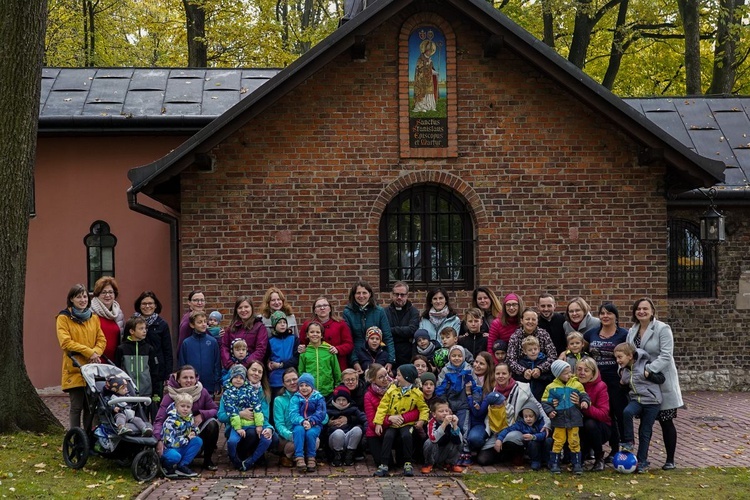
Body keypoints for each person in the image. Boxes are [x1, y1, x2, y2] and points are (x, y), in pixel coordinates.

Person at [626, 298, 683, 471]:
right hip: (643, 386)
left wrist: (648, 370)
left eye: (645, 308)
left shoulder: (662, 329)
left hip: (660, 380)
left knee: (666, 421)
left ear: (652, 311)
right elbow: (629, 353)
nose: (641, 312)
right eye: (638, 309)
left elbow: (666, 355)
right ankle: (643, 459)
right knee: (645, 423)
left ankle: (670, 459)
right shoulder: (632, 330)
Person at [475, 362, 551, 466]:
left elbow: (538, 406)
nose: (501, 376)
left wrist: (547, 423)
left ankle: (518, 454)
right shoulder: (493, 391)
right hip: (497, 431)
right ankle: (504, 455)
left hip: (516, 429)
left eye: (504, 373)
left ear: (510, 374)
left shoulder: (522, 389)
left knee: (511, 438)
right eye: (498, 374)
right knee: (482, 460)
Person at [56, 283, 107, 429]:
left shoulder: (93, 318)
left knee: (90, 407)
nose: (83, 299)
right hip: (75, 367)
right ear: (71, 299)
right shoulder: (63, 318)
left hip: (92, 368)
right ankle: (75, 438)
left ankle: (88, 439)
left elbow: (101, 339)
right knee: (76, 407)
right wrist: (89, 352)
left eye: (85, 296)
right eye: (79, 297)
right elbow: (66, 342)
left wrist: (96, 352)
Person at [585, 302, 628, 462]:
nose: (605, 316)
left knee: (618, 414)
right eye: (602, 313)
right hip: (597, 382)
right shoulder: (591, 334)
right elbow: (578, 347)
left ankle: (621, 449)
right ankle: (603, 448)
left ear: (616, 316)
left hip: (616, 381)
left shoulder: (624, 334)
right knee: (605, 415)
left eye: (609, 313)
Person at [154, 365, 220, 471]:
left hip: (195, 428)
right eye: (185, 378)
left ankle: (207, 460)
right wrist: (158, 439)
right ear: (178, 379)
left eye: (191, 377)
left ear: (196, 378)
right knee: (173, 454)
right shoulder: (170, 395)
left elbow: (215, 409)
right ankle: (178, 459)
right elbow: (159, 420)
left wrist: (202, 415)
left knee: (213, 424)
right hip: (176, 432)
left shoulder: (202, 392)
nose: (188, 380)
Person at [615, 341, 666, 473]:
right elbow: (625, 388)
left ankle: (642, 461)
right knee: (627, 412)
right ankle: (629, 442)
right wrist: (621, 384)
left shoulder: (646, 364)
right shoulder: (624, 371)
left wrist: (650, 375)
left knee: (645, 431)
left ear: (630, 356)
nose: (618, 360)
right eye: (616, 357)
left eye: (620, 357)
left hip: (652, 402)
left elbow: (662, 379)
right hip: (636, 400)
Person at [372, 364, 429, 477]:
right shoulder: (392, 390)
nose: (396, 378)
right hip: (393, 423)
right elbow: (382, 407)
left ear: (407, 377)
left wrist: (422, 420)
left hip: (407, 423)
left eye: (399, 375)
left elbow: (423, 408)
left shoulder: (416, 393)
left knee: (406, 436)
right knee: (388, 436)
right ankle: (384, 464)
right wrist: (378, 422)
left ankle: (407, 462)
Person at [220, 362, 273, 471]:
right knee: (246, 435)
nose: (256, 374)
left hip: (256, 425)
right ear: (247, 371)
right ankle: (240, 455)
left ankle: (252, 459)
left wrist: (268, 428)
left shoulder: (262, 392)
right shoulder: (228, 392)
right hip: (236, 427)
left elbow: (264, 416)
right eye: (253, 370)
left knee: (270, 437)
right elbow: (221, 416)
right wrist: (239, 413)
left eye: (260, 372)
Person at [542, 359, 591, 474]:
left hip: (574, 419)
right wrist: (550, 411)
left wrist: (584, 402)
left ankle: (577, 464)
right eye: (565, 373)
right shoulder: (551, 387)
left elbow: (584, 395)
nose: (569, 375)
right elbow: (545, 401)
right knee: (558, 440)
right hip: (559, 420)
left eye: (570, 372)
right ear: (557, 374)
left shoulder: (577, 384)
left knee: (574, 441)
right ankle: (555, 463)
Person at [435, 345, 480, 465]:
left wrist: (475, 401)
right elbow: (440, 389)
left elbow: (476, 388)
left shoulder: (468, 370)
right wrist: (445, 406)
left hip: (464, 404)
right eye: (453, 356)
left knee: (463, 427)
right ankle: (450, 453)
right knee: (448, 427)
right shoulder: (445, 371)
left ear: (464, 357)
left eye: (459, 356)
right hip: (449, 405)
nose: (456, 358)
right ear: (449, 357)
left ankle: (465, 451)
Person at [134, 291, 173, 417]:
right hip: (138, 371)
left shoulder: (162, 324)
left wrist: (168, 373)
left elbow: (167, 350)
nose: (147, 306)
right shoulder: (133, 323)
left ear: (155, 305)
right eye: (144, 303)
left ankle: (156, 431)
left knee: (156, 404)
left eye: (150, 303)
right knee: (139, 405)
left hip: (157, 372)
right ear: (139, 305)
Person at [343, 280, 395, 374]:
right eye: (358, 293)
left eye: (364, 293)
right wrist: (354, 361)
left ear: (370, 294)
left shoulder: (379, 311)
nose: (361, 296)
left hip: (377, 356)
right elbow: (349, 340)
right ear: (353, 295)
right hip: (358, 356)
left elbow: (387, 337)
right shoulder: (348, 312)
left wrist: (390, 360)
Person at [506, 307, 557, 400]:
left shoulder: (543, 334)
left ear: (537, 321)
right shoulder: (515, 337)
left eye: (533, 319)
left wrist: (540, 369)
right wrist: (523, 371)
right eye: (527, 319)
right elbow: (510, 360)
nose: (530, 321)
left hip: (542, 375)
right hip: (522, 377)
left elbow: (552, 356)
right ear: (522, 321)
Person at [299, 296, 354, 370]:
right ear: (314, 310)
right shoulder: (307, 325)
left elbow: (349, 344)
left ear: (330, 309)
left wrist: (338, 349)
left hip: (337, 364)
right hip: (315, 365)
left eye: (325, 305)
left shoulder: (341, 324)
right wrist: (302, 348)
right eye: (318, 306)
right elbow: (302, 343)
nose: (322, 308)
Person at [576, 357, 611, 471]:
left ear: (593, 373)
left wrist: (583, 406)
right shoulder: (572, 384)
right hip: (577, 423)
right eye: (579, 369)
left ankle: (599, 458)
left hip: (599, 426)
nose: (582, 373)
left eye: (586, 370)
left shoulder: (601, 386)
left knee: (589, 424)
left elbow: (603, 414)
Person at [115, 315, 158, 403]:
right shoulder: (122, 349)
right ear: (132, 331)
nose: (144, 331)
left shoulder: (149, 349)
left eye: (145, 328)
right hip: (127, 393)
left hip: (146, 393)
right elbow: (117, 370)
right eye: (141, 329)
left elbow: (154, 371)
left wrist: (155, 392)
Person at [494, 402, 548, 470]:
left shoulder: (541, 422)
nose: (528, 419)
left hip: (541, 444)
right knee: (532, 443)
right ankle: (535, 461)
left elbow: (544, 434)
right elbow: (508, 430)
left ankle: (548, 461)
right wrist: (499, 439)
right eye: (526, 417)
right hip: (531, 448)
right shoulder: (520, 424)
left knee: (547, 441)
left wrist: (533, 436)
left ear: (536, 416)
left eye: (531, 416)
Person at [290, 373, 327, 472]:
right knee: (298, 431)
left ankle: (311, 457)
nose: (304, 388)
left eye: (307, 385)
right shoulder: (296, 398)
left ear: (312, 386)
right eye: (301, 385)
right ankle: (299, 457)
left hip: (315, 424)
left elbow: (321, 413)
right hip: (300, 423)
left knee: (311, 433)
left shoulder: (318, 398)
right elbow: (293, 413)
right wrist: (302, 421)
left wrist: (311, 421)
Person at [179, 311, 221, 395]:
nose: (203, 324)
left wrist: (217, 383)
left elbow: (217, 364)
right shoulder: (186, 343)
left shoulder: (212, 342)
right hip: (191, 386)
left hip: (209, 384)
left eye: (205, 321)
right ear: (192, 325)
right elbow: (182, 365)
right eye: (199, 322)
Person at [160, 393, 202, 478]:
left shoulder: (189, 417)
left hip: (182, 446)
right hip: (170, 449)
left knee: (198, 441)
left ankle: (182, 466)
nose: (185, 409)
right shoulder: (170, 421)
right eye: (182, 406)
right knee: (175, 456)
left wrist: (194, 431)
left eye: (188, 407)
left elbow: (195, 427)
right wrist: (186, 439)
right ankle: (167, 467)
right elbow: (169, 442)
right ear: (176, 406)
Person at [220, 296, 268, 370]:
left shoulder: (259, 327)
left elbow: (260, 349)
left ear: (251, 308)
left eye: (246, 307)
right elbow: (224, 347)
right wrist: (230, 364)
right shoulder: (231, 328)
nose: (243, 310)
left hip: (252, 369)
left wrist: (245, 365)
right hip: (233, 369)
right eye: (240, 308)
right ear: (236, 310)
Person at [298, 320, 341, 397]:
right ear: (307, 334)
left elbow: (336, 371)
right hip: (310, 393)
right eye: (312, 332)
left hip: (328, 392)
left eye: (318, 332)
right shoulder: (304, 352)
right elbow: (301, 372)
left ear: (321, 335)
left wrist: (337, 387)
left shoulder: (329, 350)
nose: (315, 334)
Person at [421, 397, 464, 474]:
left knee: (460, 440)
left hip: (446, 452)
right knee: (428, 442)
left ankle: (451, 463)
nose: (445, 413)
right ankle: (429, 464)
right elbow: (433, 439)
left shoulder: (451, 422)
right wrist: (444, 424)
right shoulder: (431, 422)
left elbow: (458, 441)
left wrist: (455, 426)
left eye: (446, 411)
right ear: (434, 414)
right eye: (441, 411)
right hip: (435, 453)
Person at [326, 385, 366, 466]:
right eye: (338, 400)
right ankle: (337, 456)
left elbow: (363, 419)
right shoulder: (328, 409)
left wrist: (350, 419)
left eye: (344, 400)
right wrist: (328, 423)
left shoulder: (353, 409)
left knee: (357, 430)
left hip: (348, 437)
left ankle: (349, 455)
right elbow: (320, 423)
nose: (341, 402)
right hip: (334, 439)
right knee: (339, 433)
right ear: (335, 400)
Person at [384, 281, 420, 370]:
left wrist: (392, 330)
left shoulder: (413, 312)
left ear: (407, 295)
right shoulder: (385, 312)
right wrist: (403, 332)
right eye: (396, 294)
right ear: (392, 295)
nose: (399, 297)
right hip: (389, 351)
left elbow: (412, 330)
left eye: (402, 295)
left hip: (407, 353)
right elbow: (384, 331)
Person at [466, 352, 495, 458]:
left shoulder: (491, 384)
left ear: (488, 366)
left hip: (480, 422)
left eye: (481, 364)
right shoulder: (467, 376)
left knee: (474, 439)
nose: (477, 365)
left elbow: (478, 412)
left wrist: (469, 394)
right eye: (476, 362)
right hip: (465, 417)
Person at [89, 276, 124, 361]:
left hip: (114, 361)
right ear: (98, 294)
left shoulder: (118, 313)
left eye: (110, 292)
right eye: (104, 292)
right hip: (94, 360)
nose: (107, 295)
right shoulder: (90, 312)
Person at [267, 310, 300, 397]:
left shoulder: (293, 338)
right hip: (276, 380)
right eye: (279, 322)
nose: (282, 324)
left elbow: (296, 358)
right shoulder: (270, 341)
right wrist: (268, 364)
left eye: (284, 322)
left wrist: (281, 365)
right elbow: (267, 358)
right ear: (274, 325)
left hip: (292, 378)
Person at [273, 368, 300, 467]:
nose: (292, 383)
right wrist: (291, 435)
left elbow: (323, 417)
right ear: (284, 384)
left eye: (294, 379)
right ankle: (287, 456)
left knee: (315, 440)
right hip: (287, 437)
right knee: (294, 443)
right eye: (288, 381)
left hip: (305, 431)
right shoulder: (279, 400)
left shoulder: (308, 395)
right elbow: (279, 424)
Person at [516, 336, 552, 401]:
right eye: (530, 350)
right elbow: (517, 379)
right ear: (524, 351)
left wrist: (539, 376)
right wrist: (525, 377)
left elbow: (550, 378)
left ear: (539, 348)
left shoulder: (544, 361)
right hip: (526, 398)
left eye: (535, 349)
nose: (533, 352)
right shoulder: (521, 363)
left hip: (543, 396)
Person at [412, 38, 438, 113]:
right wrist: (427, 64)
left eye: (431, 51)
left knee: (430, 92)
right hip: (421, 80)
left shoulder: (430, 59)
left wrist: (435, 73)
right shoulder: (420, 59)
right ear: (425, 50)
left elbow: (430, 69)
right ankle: (421, 107)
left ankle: (430, 106)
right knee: (422, 93)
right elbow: (419, 69)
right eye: (428, 51)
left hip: (428, 80)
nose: (429, 52)